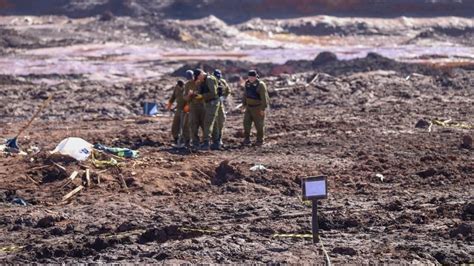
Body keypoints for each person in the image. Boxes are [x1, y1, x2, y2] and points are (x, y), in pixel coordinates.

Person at [193, 69, 220, 150]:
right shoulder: (204, 80)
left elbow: (213, 93)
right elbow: (202, 91)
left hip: (213, 103)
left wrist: (202, 96)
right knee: (213, 122)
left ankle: (206, 143)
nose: (199, 79)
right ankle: (216, 142)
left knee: (207, 122)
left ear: (201, 74)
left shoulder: (209, 79)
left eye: (198, 77)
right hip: (208, 103)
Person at [242, 70, 270, 146]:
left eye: (252, 77)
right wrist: (243, 105)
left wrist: (263, 109)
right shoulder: (247, 83)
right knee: (246, 123)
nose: (251, 78)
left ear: (255, 77)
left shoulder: (260, 85)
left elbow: (264, 98)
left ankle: (260, 140)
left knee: (259, 125)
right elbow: (245, 94)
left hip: (257, 108)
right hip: (249, 107)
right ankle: (247, 139)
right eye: (249, 77)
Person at [183, 70, 205, 148]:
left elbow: (207, 94)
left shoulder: (202, 82)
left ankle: (206, 142)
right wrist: (189, 95)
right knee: (193, 125)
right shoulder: (188, 85)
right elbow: (185, 97)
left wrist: (199, 95)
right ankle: (195, 142)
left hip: (203, 107)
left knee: (205, 124)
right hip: (193, 107)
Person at [211, 69, 231, 150]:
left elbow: (228, 90)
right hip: (212, 105)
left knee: (221, 120)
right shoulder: (210, 81)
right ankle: (214, 140)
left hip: (220, 104)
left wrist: (224, 97)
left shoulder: (222, 82)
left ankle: (219, 138)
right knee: (213, 122)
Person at [167, 79, 190, 146]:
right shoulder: (176, 88)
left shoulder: (187, 87)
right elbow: (173, 96)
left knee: (184, 126)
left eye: (181, 85)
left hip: (186, 110)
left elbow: (190, 99)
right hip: (178, 108)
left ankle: (186, 141)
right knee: (175, 124)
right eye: (179, 84)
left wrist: (187, 107)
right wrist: (170, 104)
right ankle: (176, 139)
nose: (180, 86)